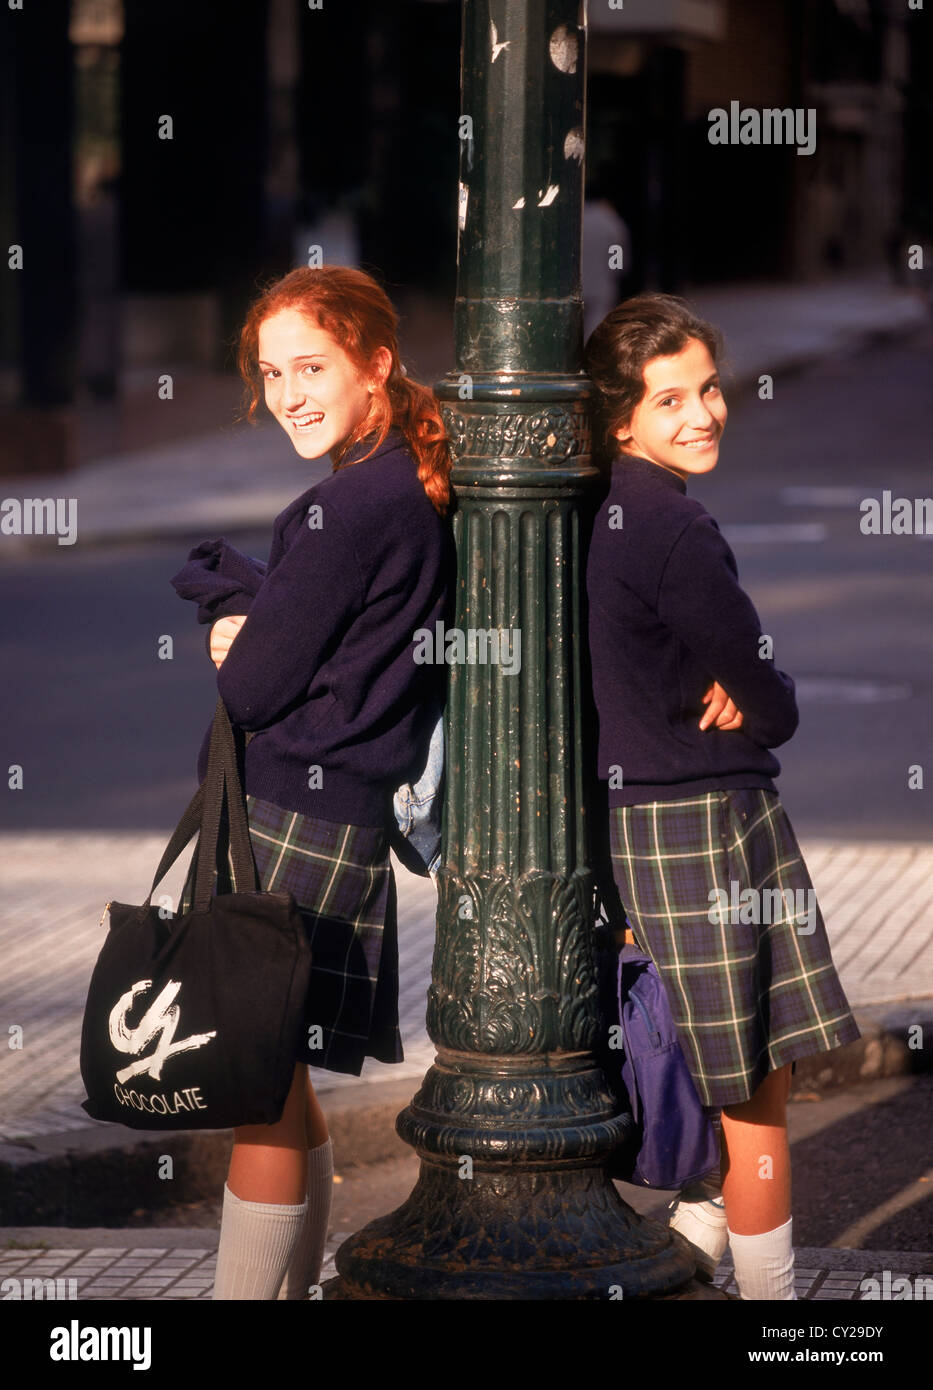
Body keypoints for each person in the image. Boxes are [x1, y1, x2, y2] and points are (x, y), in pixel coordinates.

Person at [170, 264, 455, 1299]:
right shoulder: (407, 482)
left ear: (376, 363)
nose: (287, 393)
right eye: (271, 371)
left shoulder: (352, 503)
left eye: (312, 366)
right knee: (283, 1079)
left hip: (288, 818)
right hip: (339, 817)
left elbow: (253, 687)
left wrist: (232, 632)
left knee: (256, 1087)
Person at [584, 293, 860, 1300]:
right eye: (670, 399)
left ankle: (699, 1231)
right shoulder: (675, 528)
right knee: (756, 1096)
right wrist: (748, 694)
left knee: (724, 1078)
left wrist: (725, 683)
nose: (702, 412)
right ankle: (776, 1310)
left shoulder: (595, 508)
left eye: (707, 387)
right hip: (710, 824)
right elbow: (772, 703)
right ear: (622, 418)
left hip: (640, 824)